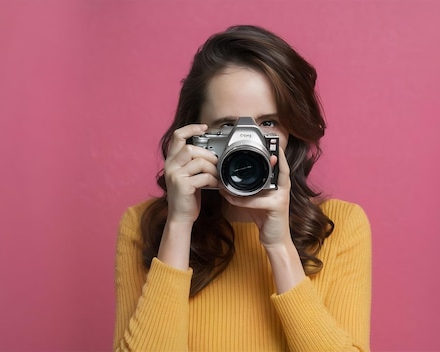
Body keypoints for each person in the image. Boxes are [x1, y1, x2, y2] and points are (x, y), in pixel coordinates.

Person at [114, 25, 372, 351]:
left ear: (290, 131)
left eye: (267, 123)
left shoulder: (342, 226)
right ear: (196, 131)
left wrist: (280, 247)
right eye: (227, 125)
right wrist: (178, 226)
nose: (246, 142)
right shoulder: (143, 227)